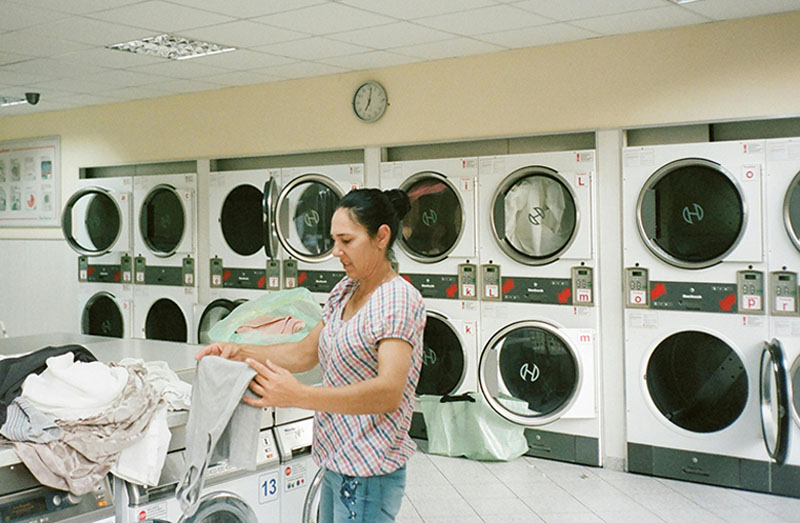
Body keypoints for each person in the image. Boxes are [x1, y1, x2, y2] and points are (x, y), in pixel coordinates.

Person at [195, 188, 426, 522]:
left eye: (346, 241)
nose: (337, 252)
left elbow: (388, 392)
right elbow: (305, 352)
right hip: (335, 459)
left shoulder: (397, 300)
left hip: (368, 470)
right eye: (334, 241)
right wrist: (239, 352)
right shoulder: (345, 291)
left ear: (381, 236)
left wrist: (300, 396)